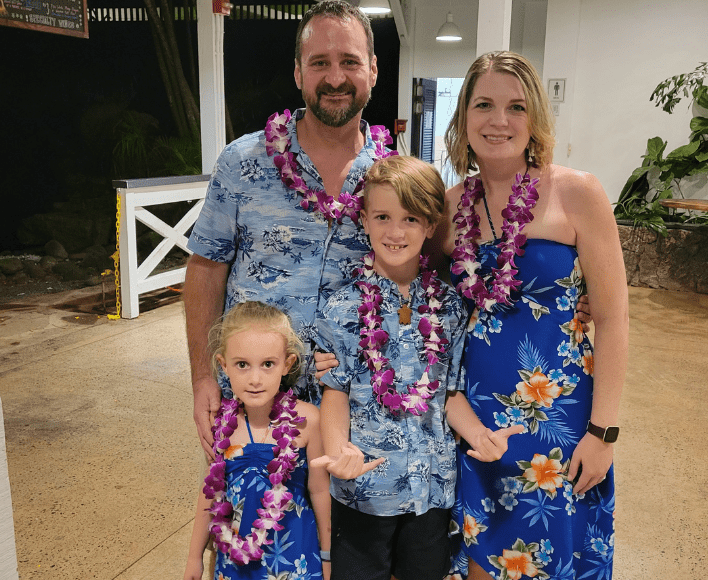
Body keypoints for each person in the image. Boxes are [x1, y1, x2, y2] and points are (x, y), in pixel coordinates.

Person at [432, 52, 629, 580]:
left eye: (516, 107)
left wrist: (604, 433)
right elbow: (420, 300)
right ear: (463, 118)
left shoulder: (577, 192)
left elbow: (612, 318)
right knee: (480, 561)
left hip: (562, 425)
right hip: (476, 424)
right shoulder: (446, 207)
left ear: (536, 117)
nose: (499, 120)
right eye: (485, 105)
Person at [184, 0, 387, 458]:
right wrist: (200, 376)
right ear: (298, 73)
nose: (335, 78)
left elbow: (432, 269)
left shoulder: (395, 178)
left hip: (358, 412)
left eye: (350, 62)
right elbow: (204, 269)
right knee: (251, 526)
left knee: (341, 532)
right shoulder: (242, 162)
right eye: (320, 63)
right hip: (253, 405)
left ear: (373, 70)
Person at [313, 155, 524, 580]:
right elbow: (335, 391)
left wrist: (479, 436)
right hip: (365, 487)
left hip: (431, 489)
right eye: (383, 216)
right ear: (365, 221)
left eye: (410, 218)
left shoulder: (448, 308)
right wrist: (338, 452)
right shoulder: (340, 308)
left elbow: (449, 394)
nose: (395, 231)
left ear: (430, 226)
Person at [183, 302, 331, 580]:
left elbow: (320, 491)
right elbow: (210, 493)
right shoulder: (221, 425)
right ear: (223, 365)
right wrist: (194, 557)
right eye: (242, 364)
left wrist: (328, 556)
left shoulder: (308, 420)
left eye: (267, 364)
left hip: (295, 554)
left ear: (286, 364)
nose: (254, 378)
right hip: (237, 559)